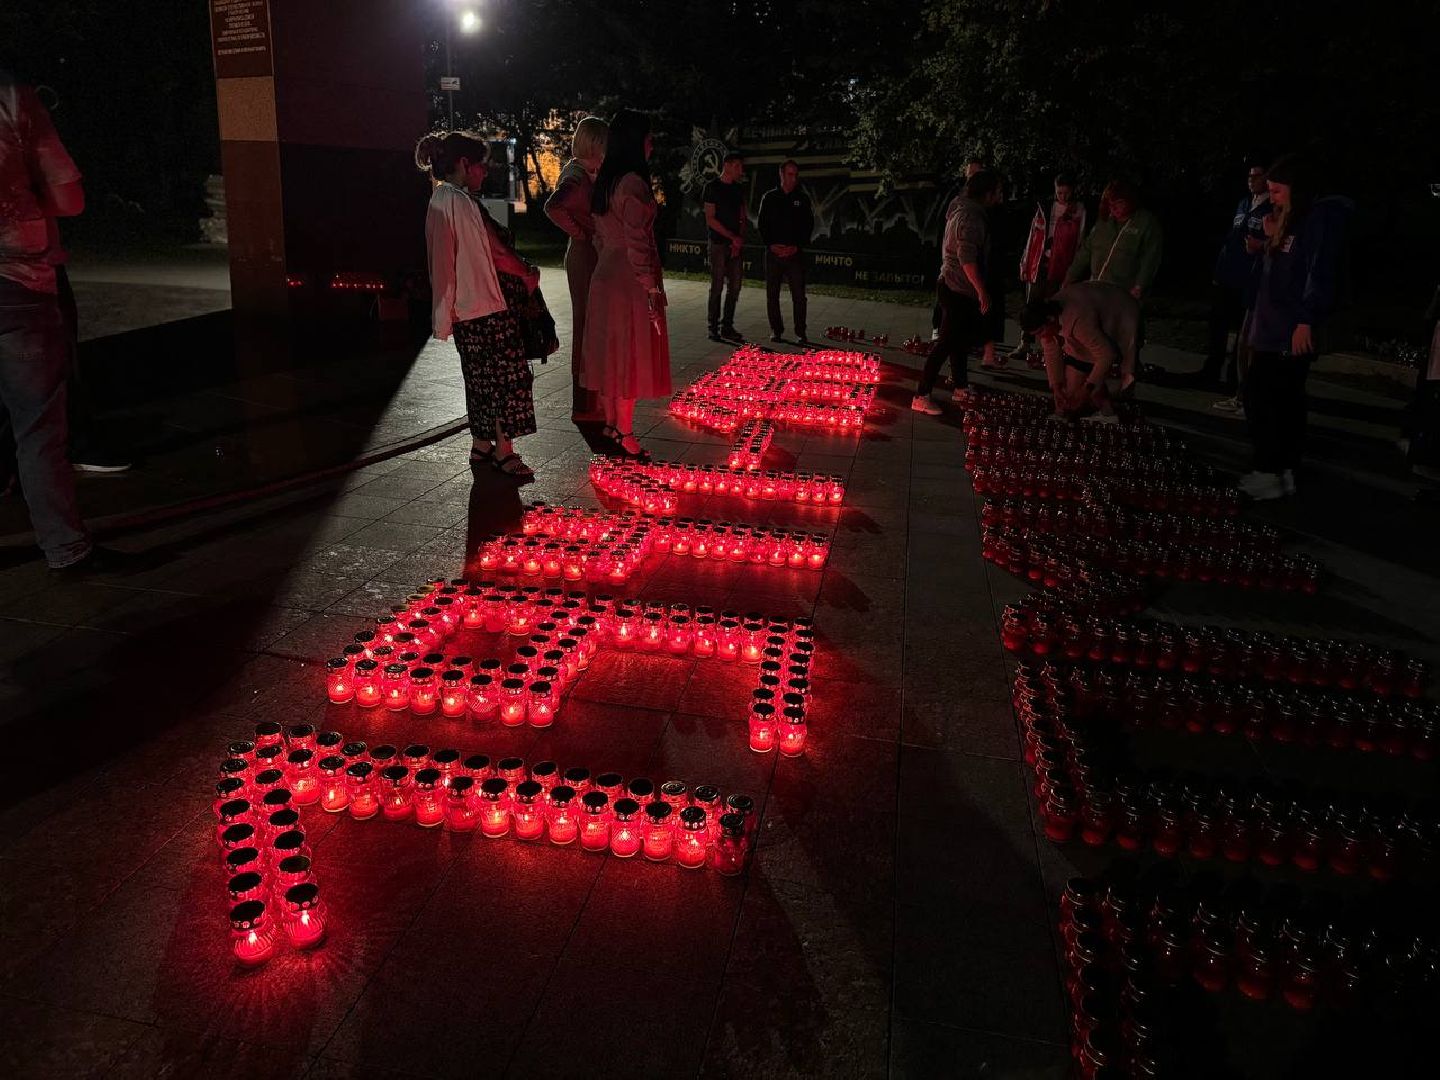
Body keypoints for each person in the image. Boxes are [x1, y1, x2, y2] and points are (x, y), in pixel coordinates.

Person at [0, 69, 96, 571]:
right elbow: (68, 197)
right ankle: (66, 549)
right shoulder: (11, 96)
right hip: (16, 285)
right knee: (37, 427)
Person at [417, 131, 537, 478]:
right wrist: (528, 273)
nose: (486, 171)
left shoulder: (439, 199)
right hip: (487, 307)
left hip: (464, 310)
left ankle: (481, 444)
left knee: (479, 379)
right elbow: (496, 252)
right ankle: (504, 451)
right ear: (464, 164)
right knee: (505, 380)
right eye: (482, 164)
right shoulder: (462, 202)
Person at [1239, 155, 1350, 500]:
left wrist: (1306, 319)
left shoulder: (1316, 221)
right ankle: (1283, 469)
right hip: (1271, 326)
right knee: (1279, 398)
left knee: (1265, 398)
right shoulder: (1290, 221)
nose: (1271, 197)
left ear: (1296, 190)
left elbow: (1317, 271)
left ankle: (1269, 470)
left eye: (1277, 191)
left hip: (1287, 329)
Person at [583, 108, 672, 458]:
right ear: (636, 142)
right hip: (628, 280)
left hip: (606, 274)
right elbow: (637, 242)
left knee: (610, 354)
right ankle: (624, 430)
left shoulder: (606, 181)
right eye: (648, 139)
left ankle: (611, 424)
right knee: (629, 356)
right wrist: (651, 287)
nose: (651, 145)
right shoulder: (633, 183)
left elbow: (600, 236)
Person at [912, 169, 1003, 416]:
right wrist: (981, 290)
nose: (1001, 197)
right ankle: (921, 395)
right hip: (957, 287)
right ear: (987, 193)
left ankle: (961, 387)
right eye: (998, 191)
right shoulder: (971, 216)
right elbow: (966, 257)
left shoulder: (961, 208)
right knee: (945, 343)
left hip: (953, 284)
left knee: (958, 341)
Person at [544, 116, 609, 422]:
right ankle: (583, 404)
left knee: (592, 325)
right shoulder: (576, 175)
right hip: (583, 256)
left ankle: (589, 399)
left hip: (590, 253)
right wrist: (580, 233)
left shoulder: (587, 173)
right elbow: (553, 207)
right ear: (594, 143)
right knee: (584, 325)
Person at [1186, 161, 1270, 395]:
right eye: (1250, 176)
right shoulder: (1244, 203)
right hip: (1227, 275)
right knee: (1217, 324)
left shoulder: (1271, 207)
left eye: (1257, 175)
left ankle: (1236, 378)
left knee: (1242, 330)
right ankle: (1211, 370)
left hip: (1248, 278)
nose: (1251, 180)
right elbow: (1232, 237)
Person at [1020, 281, 1140, 423]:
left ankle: (1108, 414)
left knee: (1090, 383)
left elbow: (1106, 355)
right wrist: (1056, 388)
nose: (1040, 337)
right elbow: (1051, 352)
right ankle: (1103, 408)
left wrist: (1087, 388)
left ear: (1050, 319)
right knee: (1073, 388)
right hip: (1089, 317)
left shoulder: (1078, 320)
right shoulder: (1047, 320)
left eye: (1040, 332)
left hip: (1119, 312)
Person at [1015, 173, 1088, 369]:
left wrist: (1075, 267)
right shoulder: (1045, 207)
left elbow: (1080, 239)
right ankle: (1025, 342)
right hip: (1041, 261)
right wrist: (1026, 260)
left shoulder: (1079, 210)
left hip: (1062, 263)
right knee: (1032, 301)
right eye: (1059, 193)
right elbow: (1033, 234)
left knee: (1055, 304)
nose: (1062, 197)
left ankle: (1054, 346)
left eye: (1066, 193)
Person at [1066, 179, 1163, 302]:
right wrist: (1070, 276)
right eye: (1110, 203)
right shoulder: (1104, 222)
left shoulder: (1145, 223)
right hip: (1096, 289)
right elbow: (1086, 251)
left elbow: (1150, 258)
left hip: (1124, 294)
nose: (1113, 208)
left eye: (1119, 203)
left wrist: (1139, 286)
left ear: (1130, 201)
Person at [758, 159, 814, 345]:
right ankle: (776, 330)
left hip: (794, 254)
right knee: (772, 294)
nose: (793, 178)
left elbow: (808, 226)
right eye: (790, 174)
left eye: (796, 175)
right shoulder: (769, 198)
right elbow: (762, 224)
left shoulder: (802, 199)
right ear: (781, 175)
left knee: (799, 295)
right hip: (773, 253)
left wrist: (796, 246)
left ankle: (801, 332)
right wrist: (771, 245)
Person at [703, 152, 747, 343]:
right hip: (718, 244)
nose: (740, 170)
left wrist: (738, 240)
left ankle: (727, 326)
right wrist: (731, 236)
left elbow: (742, 216)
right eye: (737, 166)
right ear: (726, 166)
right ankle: (713, 327)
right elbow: (710, 219)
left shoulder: (738, 189)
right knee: (717, 286)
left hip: (734, 244)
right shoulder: (712, 187)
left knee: (735, 286)